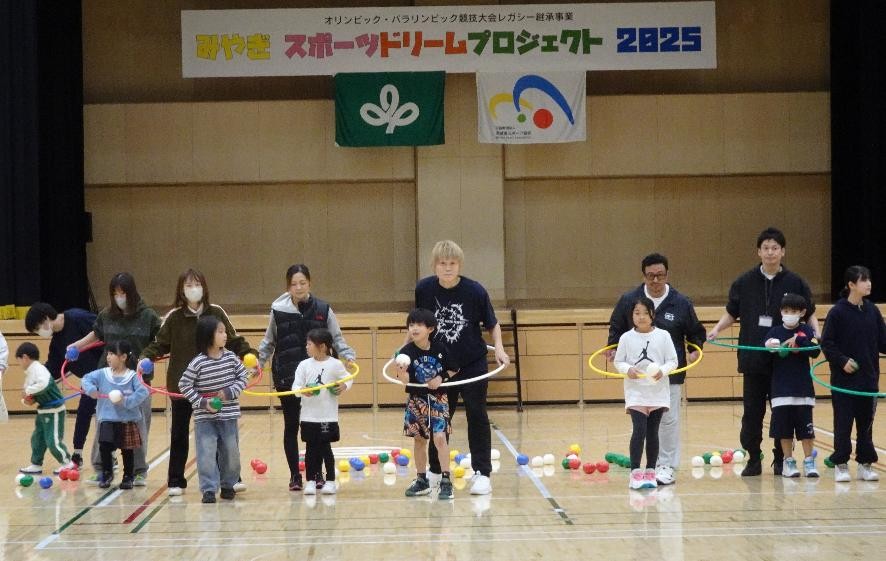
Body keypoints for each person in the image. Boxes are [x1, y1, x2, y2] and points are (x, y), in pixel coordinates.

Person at [708, 227, 819, 477]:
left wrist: (817, 336)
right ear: (759, 251)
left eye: (775, 248)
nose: (770, 252)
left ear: (783, 252)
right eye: (766, 248)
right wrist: (716, 330)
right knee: (752, 415)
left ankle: (782, 460)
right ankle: (753, 458)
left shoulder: (796, 282)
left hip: (786, 366)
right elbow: (731, 312)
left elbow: (810, 313)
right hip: (754, 361)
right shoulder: (744, 282)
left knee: (783, 414)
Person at [140, 269, 256, 496]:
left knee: (223, 434)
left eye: (197, 284)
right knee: (179, 433)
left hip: (214, 387)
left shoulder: (216, 312)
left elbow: (232, 340)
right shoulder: (174, 317)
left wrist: (249, 354)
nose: (193, 288)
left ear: (204, 286)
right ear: (181, 290)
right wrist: (145, 356)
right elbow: (160, 344)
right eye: (188, 285)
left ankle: (230, 479)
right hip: (183, 387)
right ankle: (175, 480)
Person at [416, 240, 509, 496]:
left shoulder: (475, 291)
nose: (447, 268)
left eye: (452, 263)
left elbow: (492, 323)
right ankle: (435, 472)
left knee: (477, 415)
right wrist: (405, 352)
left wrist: (499, 348)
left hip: (472, 363)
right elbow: (418, 326)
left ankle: (482, 473)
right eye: (442, 264)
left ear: (460, 265)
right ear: (435, 265)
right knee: (439, 420)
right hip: (440, 367)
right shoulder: (423, 289)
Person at [606, 253, 705, 485]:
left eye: (660, 275)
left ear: (667, 275)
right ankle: (641, 469)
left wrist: (694, 349)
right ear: (644, 276)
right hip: (638, 379)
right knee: (641, 427)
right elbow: (616, 327)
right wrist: (611, 349)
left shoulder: (681, 302)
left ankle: (665, 466)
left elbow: (696, 332)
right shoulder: (630, 299)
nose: (655, 280)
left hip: (669, 375)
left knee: (668, 421)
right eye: (650, 276)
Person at [258, 264, 356, 491]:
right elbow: (268, 342)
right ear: (288, 286)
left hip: (320, 377)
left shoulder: (323, 308)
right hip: (288, 376)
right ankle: (295, 475)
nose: (299, 287)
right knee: (291, 425)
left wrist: (347, 356)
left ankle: (317, 474)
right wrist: (259, 363)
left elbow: (337, 339)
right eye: (294, 284)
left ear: (309, 283)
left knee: (317, 427)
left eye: (303, 283)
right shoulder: (278, 310)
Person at [69, 272, 161, 485]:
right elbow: (96, 335)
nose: (119, 297)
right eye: (115, 293)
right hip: (108, 379)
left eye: (123, 293)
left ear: (132, 293)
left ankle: (138, 471)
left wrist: (148, 357)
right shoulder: (106, 314)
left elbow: (161, 340)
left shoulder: (148, 316)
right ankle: (102, 469)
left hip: (137, 380)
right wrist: (76, 346)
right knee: (105, 424)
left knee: (137, 426)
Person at [820, 265, 886, 482]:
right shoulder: (837, 312)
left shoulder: (873, 311)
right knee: (843, 423)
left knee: (866, 425)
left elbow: (883, 342)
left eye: (869, 279)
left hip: (868, 380)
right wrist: (842, 361)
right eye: (863, 279)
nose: (868, 283)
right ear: (851, 285)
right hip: (844, 381)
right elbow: (827, 343)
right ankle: (841, 464)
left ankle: (866, 464)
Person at [179, 315, 249, 504]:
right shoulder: (198, 362)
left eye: (225, 331)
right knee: (206, 453)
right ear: (208, 335)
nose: (225, 335)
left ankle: (228, 485)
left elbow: (243, 377)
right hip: (205, 418)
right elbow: (184, 385)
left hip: (228, 416)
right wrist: (203, 403)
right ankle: (209, 489)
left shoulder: (231, 358)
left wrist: (229, 392)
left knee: (231, 452)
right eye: (220, 332)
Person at [24, 302, 102, 467]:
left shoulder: (77, 317)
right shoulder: (57, 342)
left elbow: (103, 330)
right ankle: (78, 454)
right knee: (83, 413)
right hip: (90, 380)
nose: (40, 333)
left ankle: (107, 456)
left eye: (38, 328)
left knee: (106, 419)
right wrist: (33, 385)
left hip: (106, 373)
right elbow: (52, 369)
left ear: (46, 319)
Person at [614, 297, 678, 490]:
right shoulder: (626, 337)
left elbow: (673, 361)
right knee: (639, 431)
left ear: (652, 314)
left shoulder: (664, 336)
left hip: (657, 392)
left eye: (644, 312)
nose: (641, 317)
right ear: (631, 316)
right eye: (636, 313)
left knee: (653, 433)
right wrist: (627, 370)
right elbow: (618, 362)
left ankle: (650, 472)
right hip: (636, 393)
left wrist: (662, 371)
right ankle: (635, 473)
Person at [394, 308, 458, 500]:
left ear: (430, 329)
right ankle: (422, 480)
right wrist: (402, 371)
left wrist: (441, 377)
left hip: (438, 399)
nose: (414, 328)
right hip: (416, 399)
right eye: (411, 325)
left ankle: (446, 480)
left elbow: (454, 368)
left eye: (419, 325)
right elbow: (404, 380)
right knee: (419, 439)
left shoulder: (440, 348)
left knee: (439, 438)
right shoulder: (405, 352)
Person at [763, 293, 821, 478]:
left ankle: (809, 462)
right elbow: (767, 346)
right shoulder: (774, 332)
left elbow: (815, 351)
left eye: (794, 311)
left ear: (802, 312)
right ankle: (788, 461)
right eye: (786, 311)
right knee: (784, 430)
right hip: (781, 391)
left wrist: (798, 340)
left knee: (806, 431)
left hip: (803, 390)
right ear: (781, 312)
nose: (789, 314)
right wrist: (772, 345)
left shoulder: (807, 331)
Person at [80, 341, 150, 489]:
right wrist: (91, 390)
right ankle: (107, 474)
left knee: (127, 449)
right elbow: (86, 378)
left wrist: (125, 401)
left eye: (112, 354)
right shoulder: (102, 374)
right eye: (108, 354)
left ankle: (128, 476)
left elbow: (143, 392)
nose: (108, 357)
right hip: (107, 418)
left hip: (126, 420)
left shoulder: (132, 376)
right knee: (105, 446)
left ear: (123, 357)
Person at [292, 328, 352, 495]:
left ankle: (331, 481)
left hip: (327, 416)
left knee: (325, 448)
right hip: (308, 416)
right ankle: (310, 481)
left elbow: (348, 377)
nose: (306, 346)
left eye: (309, 343)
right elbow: (295, 387)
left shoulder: (335, 364)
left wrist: (344, 385)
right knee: (311, 449)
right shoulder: (303, 365)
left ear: (322, 346)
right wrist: (302, 390)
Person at [16, 342, 76, 474]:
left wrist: (28, 391)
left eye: (19, 360)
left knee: (53, 440)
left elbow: (44, 385)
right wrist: (26, 400)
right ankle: (36, 464)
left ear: (25, 357)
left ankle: (68, 462)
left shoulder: (39, 369)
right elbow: (28, 397)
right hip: (42, 411)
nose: (19, 363)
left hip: (54, 410)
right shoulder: (30, 374)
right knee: (37, 438)